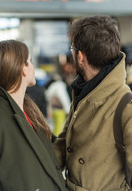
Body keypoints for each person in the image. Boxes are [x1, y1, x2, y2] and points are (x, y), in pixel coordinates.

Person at [0, 40, 66, 191]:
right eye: (30, 61)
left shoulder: (30, 113)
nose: (33, 67)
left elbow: (51, 154)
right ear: (23, 69)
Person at [53, 15, 132, 191]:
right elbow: (65, 143)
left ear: (80, 56)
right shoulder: (84, 91)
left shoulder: (125, 104)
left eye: (72, 48)